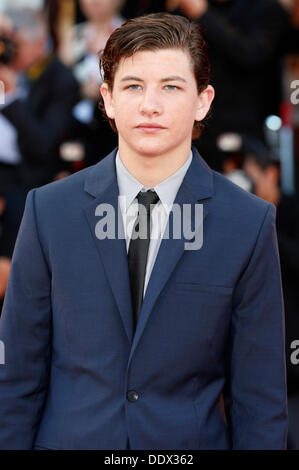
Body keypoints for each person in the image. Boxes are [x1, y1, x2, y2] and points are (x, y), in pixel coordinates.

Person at [0, 13, 287, 450]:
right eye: (133, 86)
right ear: (108, 100)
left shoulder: (247, 223)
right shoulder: (49, 211)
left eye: (171, 87)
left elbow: (260, 401)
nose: (150, 104)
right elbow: (16, 377)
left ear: (202, 101)